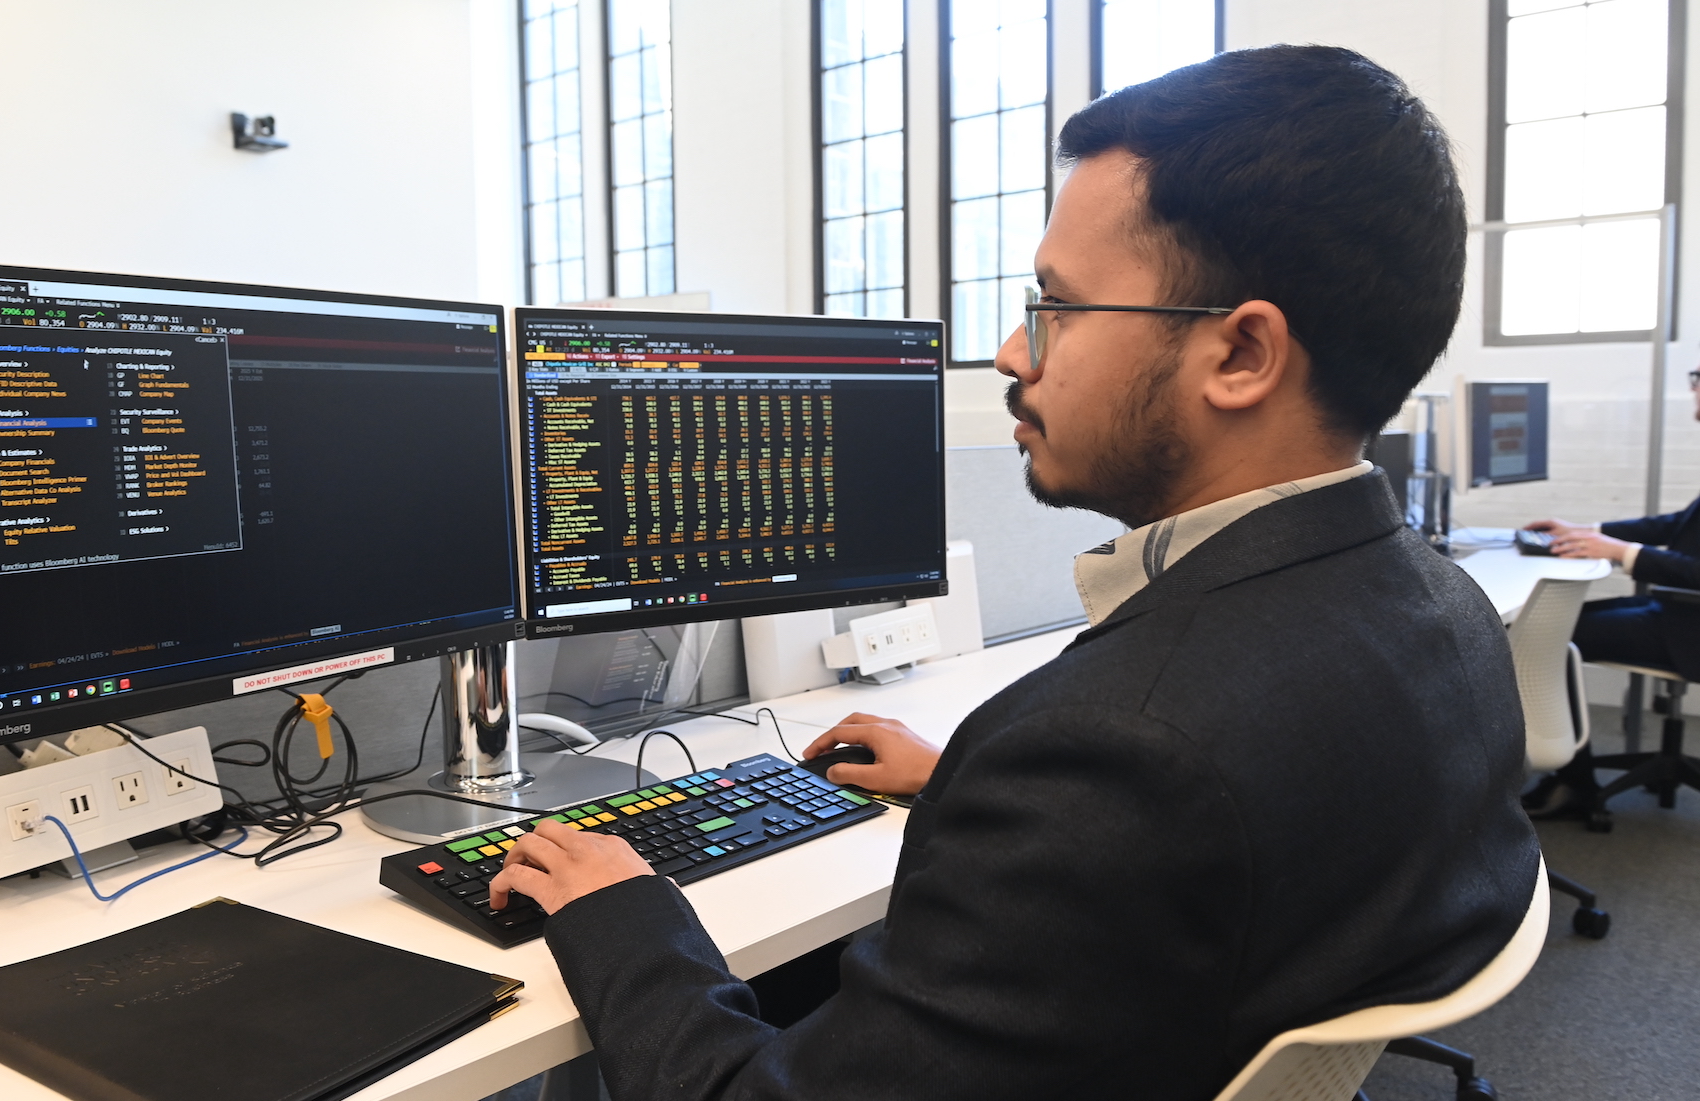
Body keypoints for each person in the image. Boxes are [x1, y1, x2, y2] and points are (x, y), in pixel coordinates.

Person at [489, 46, 1539, 1099]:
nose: (1008, 352)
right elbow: (1243, 821)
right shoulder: (1437, 606)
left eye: (1058, 305)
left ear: (1241, 356)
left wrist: (624, 914)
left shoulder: (1114, 753)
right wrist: (986, 789)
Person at [1521, 366, 1700, 816]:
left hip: (1689, 625)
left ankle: (1576, 788)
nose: (1694, 413)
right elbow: (1676, 524)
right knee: (1563, 628)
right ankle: (1568, 774)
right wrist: (1591, 532)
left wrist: (1622, 552)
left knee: (1552, 643)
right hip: (1677, 607)